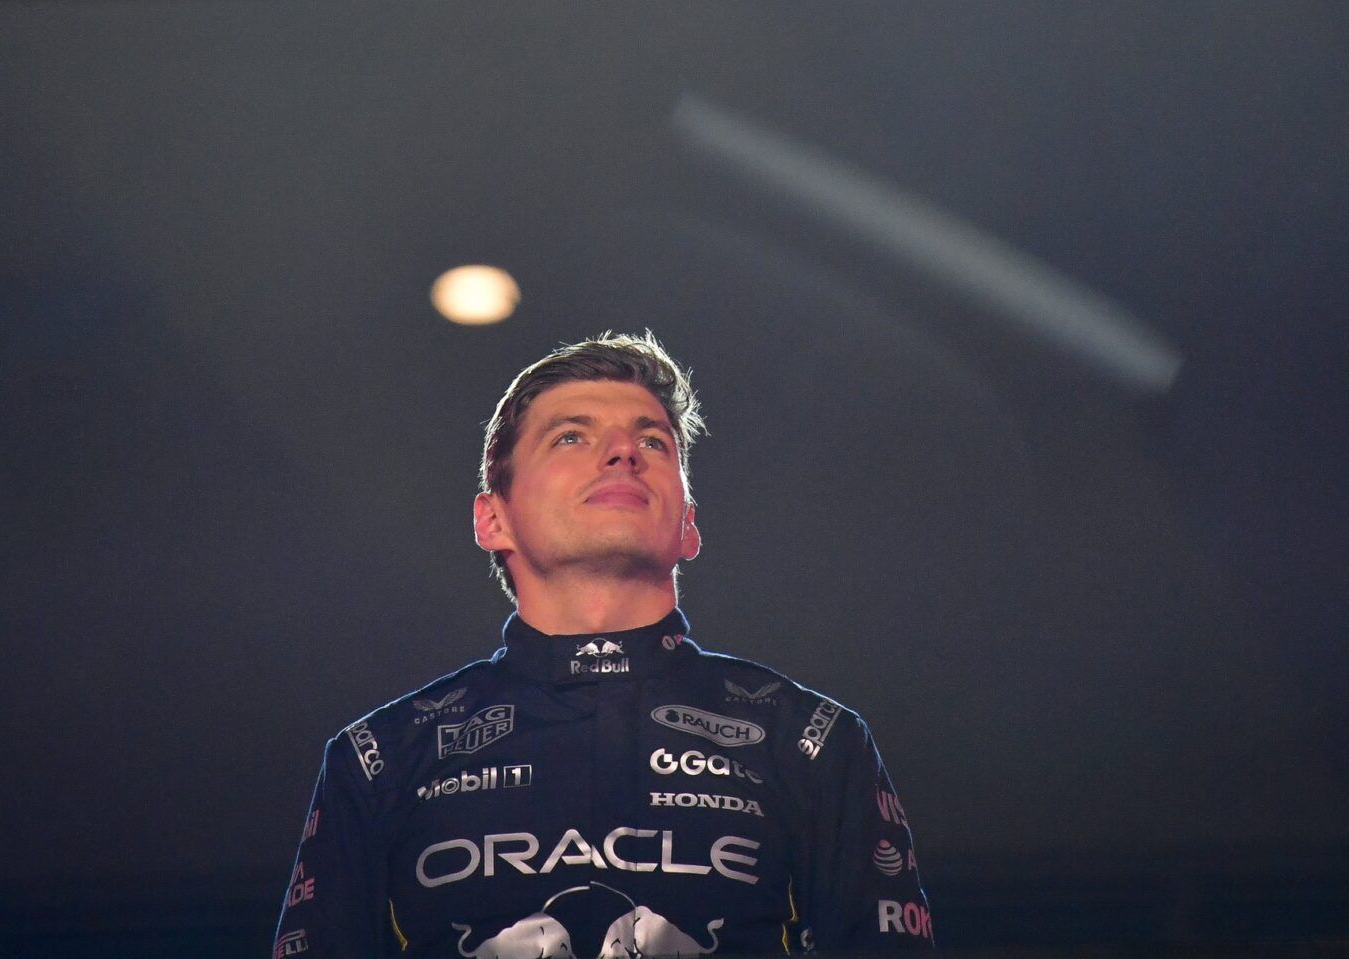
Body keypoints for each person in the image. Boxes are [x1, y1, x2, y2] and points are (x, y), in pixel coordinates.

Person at [275, 333, 933, 958]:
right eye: (571, 436)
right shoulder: (378, 757)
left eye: (653, 441)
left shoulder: (813, 740)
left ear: (689, 526)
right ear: (491, 518)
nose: (624, 453)